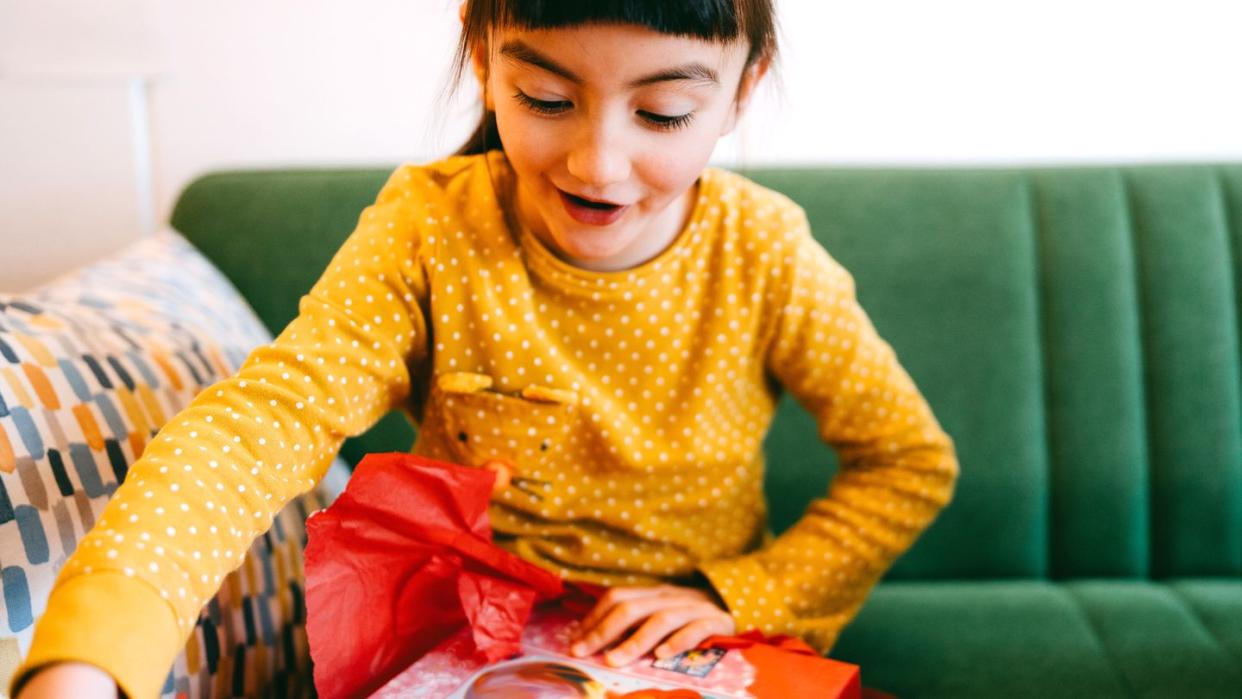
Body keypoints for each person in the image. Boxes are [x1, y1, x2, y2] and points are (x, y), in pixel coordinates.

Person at [14, 1, 959, 696]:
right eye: (546, 97)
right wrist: (95, 651)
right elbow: (266, 423)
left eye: (664, 113)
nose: (599, 162)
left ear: (742, 91)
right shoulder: (430, 227)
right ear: (481, 54)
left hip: (706, 643)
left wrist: (734, 592)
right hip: (480, 646)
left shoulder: (763, 249)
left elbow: (907, 463)